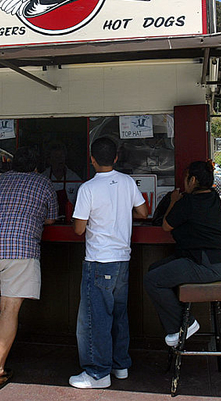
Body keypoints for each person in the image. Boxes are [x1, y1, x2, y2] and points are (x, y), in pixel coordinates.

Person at [0, 146, 57, 391]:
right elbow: (51, 219)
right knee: (11, 308)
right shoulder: (43, 183)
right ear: (36, 166)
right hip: (19, 248)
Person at [69, 137, 148, 389]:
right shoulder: (127, 182)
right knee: (118, 314)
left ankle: (97, 373)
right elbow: (143, 212)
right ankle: (119, 365)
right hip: (122, 259)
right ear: (115, 157)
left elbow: (79, 230)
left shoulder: (88, 188)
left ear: (91, 159)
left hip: (98, 260)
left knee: (95, 319)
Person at [144, 160, 221, 347]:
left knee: (152, 280)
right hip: (219, 262)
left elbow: (166, 225)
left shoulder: (188, 202)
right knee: (155, 269)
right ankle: (178, 323)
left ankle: (184, 324)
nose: (184, 182)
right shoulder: (214, 197)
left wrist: (174, 201)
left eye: (186, 178)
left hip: (204, 264)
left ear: (193, 180)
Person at [42, 142, 81, 217]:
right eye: (56, 157)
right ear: (49, 160)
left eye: (62, 157)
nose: (60, 160)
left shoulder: (74, 179)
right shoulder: (44, 178)